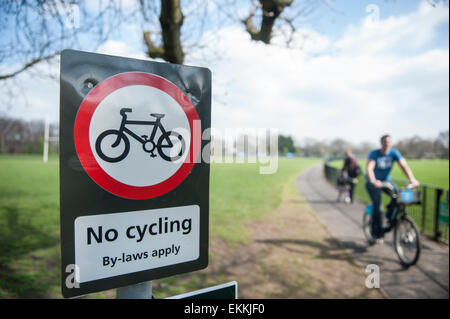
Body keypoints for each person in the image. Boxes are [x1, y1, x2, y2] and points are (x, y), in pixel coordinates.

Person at [365, 134, 419, 243]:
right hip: (373, 183)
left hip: (386, 182)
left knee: (398, 196)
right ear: (381, 143)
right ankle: (375, 233)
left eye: (389, 142)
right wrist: (374, 180)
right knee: (377, 206)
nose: (387, 144)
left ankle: (390, 216)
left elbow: (404, 166)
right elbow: (370, 168)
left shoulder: (394, 153)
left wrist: (412, 179)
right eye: (385, 142)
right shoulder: (374, 154)